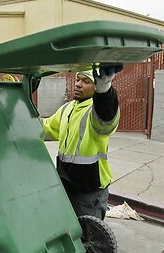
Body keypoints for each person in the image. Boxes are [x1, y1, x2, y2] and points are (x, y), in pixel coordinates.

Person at [42, 64, 122, 220]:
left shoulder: (95, 112)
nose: (78, 84)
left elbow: (106, 118)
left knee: (88, 237)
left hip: (90, 189)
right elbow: (47, 128)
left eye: (86, 81)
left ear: (96, 86)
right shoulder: (68, 108)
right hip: (66, 183)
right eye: (78, 79)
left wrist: (104, 91)